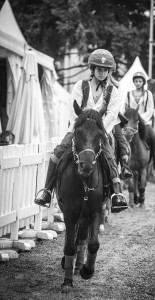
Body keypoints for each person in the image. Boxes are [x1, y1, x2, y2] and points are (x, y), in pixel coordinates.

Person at [35, 49, 128, 212]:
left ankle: (116, 194)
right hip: (78, 129)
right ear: (92, 69)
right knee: (56, 154)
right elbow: (74, 110)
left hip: (101, 131)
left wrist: (99, 130)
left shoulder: (114, 91)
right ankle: (47, 191)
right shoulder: (81, 86)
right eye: (99, 69)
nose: (102, 72)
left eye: (105, 70)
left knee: (110, 156)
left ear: (109, 71)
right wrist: (82, 127)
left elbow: (112, 115)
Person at [125, 71, 155, 171]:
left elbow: (150, 109)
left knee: (153, 136)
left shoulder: (148, 94)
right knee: (120, 135)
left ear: (143, 82)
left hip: (145, 123)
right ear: (134, 82)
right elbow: (126, 108)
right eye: (136, 81)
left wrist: (141, 119)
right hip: (131, 123)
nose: (138, 83)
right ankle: (120, 160)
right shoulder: (128, 94)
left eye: (140, 81)